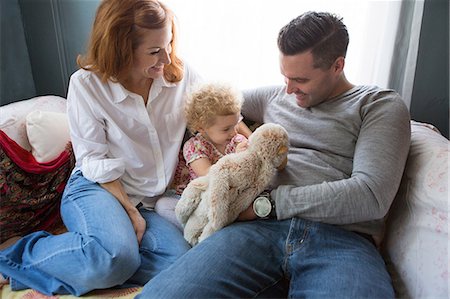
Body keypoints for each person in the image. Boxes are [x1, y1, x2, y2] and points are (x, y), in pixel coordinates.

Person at [136, 11, 411, 298]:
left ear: (337, 66)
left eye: (301, 80)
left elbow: (370, 196)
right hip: (256, 233)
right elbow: (208, 105)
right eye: (285, 77)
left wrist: (265, 205)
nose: (289, 89)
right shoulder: (275, 95)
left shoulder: (377, 105)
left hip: (340, 240)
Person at [0, 0, 201, 296]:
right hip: (98, 186)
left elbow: (218, 108)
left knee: (181, 262)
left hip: (148, 198)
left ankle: (89, 261)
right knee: (115, 258)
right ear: (122, 49)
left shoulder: (179, 77)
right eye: (155, 51)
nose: (167, 57)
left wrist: (247, 136)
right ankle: (14, 254)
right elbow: (93, 160)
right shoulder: (86, 85)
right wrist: (130, 212)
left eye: (169, 44)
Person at [156, 83, 250, 229]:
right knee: (162, 206)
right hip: (198, 197)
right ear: (202, 128)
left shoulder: (236, 140)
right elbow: (208, 174)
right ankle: (199, 227)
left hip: (227, 197)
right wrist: (235, 159)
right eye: (226, 129)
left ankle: (217, 223)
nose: (233, 132)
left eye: (235, 124)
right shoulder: (194, 146)